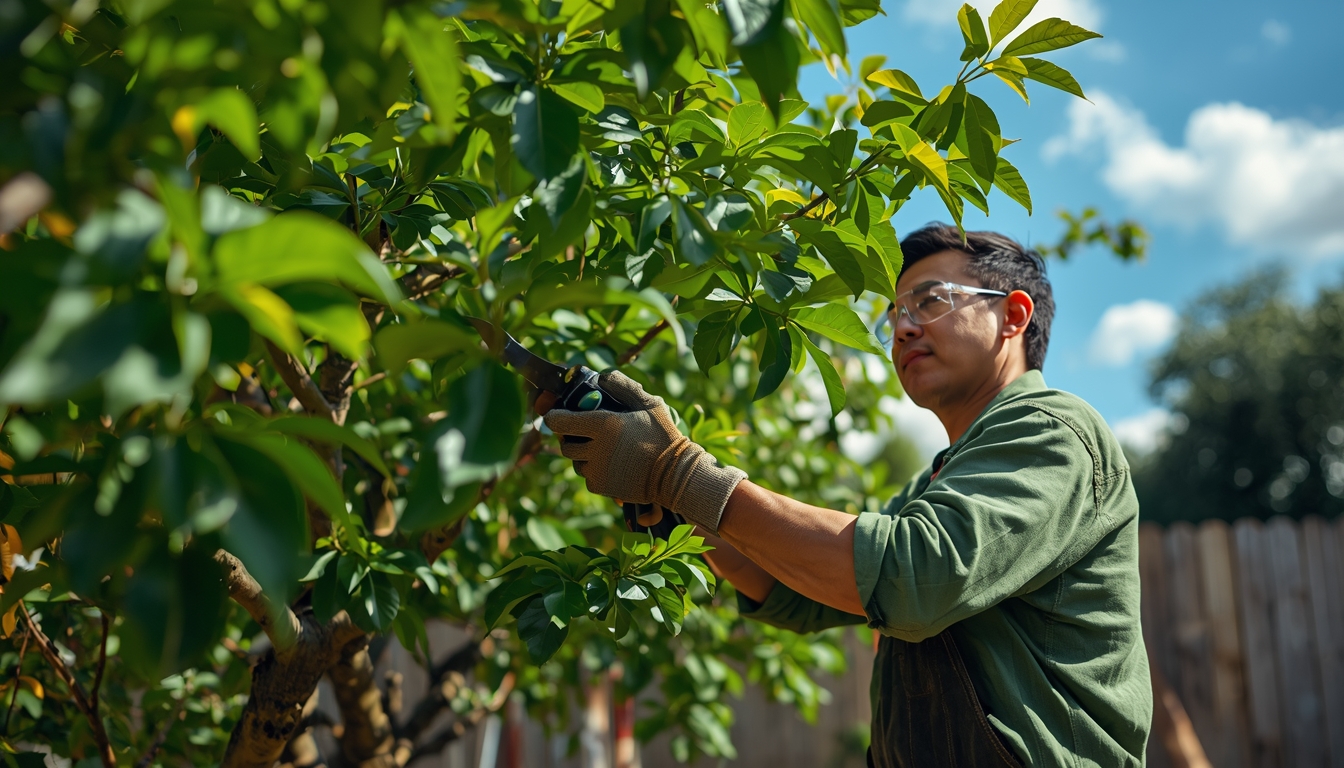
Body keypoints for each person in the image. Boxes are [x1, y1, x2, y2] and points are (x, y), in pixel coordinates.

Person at [542, 224, 1153, 767]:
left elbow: (913, 576)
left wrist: (679, 471)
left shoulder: (1053, 429)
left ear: (1013, 316)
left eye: (931, 301)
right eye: (894, 313)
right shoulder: (935, 483)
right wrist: (685, 511)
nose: (903, 325)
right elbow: (807, 592)